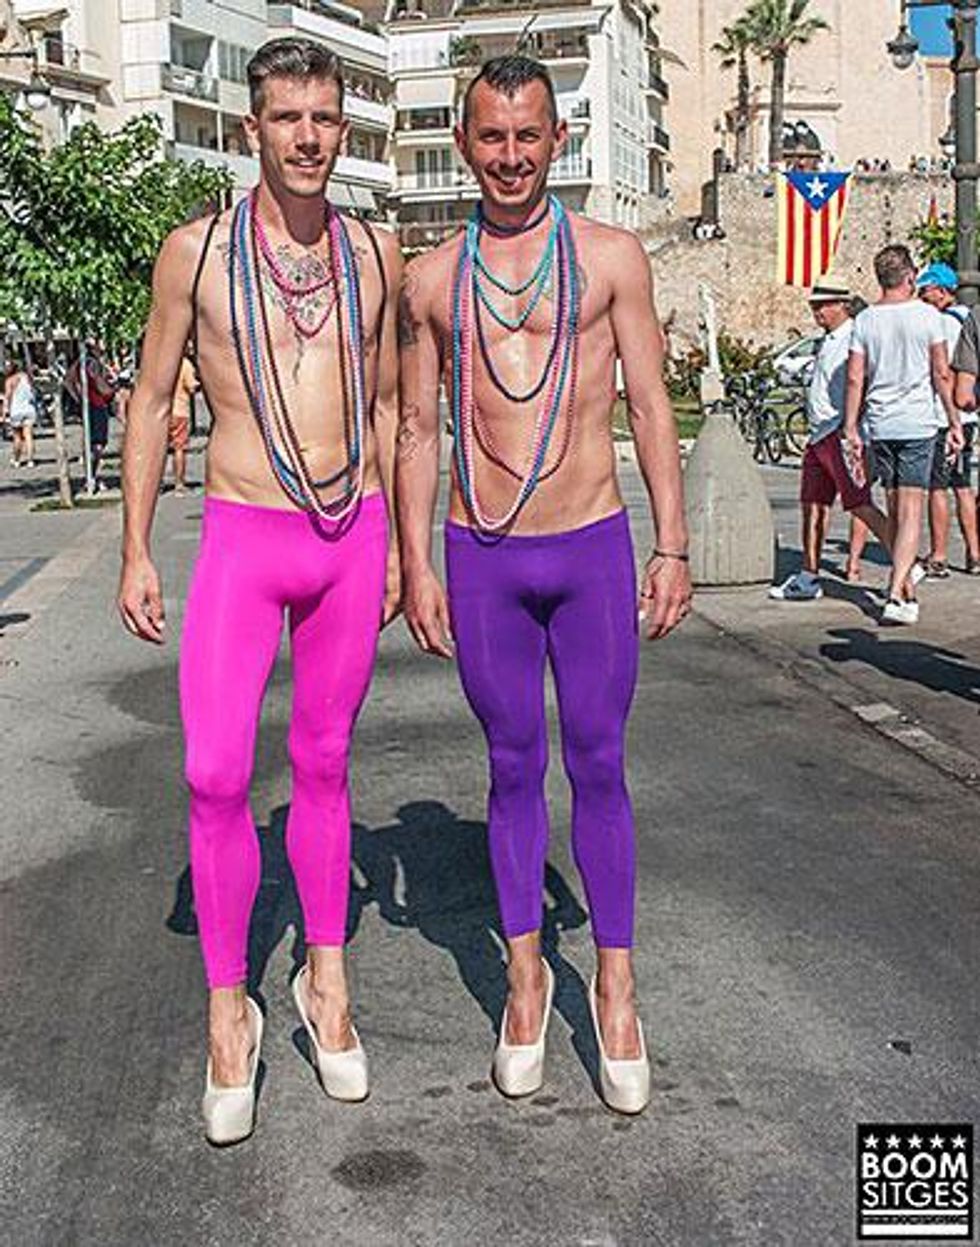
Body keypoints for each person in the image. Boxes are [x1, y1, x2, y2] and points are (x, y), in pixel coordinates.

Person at [116, 37, 401, 1145]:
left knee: (325, 762)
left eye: (325, 118)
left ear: (343, 127)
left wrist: (391, 547)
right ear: (253, 129)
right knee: (215, 768)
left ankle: (323, 985)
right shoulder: (193, 254)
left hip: (345, 531)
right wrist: (136, 547)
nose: (309, 138)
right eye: (287, 118)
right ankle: (225, 1007)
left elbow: (385, 408)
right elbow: (147, 399)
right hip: (241, 526)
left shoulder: (370, 255)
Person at [396, 56, 691, 1116]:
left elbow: (650, 402)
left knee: (600, 763)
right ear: (462, 143)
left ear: (554, 140)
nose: (509, 156)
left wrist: (672, 542)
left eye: (527, 136)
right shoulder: (430, 280)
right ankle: (525, 981)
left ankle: (613, 986)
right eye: (490, 137)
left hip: (588, 544)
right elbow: (416, 426)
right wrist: (415, 559)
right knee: (513, 764)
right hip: (483, 553)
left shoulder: (609, 258)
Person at [844, 244, 963, 625]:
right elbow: (941, 373)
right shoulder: (927, 317)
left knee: (894, 506)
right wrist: (954, 419)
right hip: (917, 422)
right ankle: (896, 591)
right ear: (910, 275)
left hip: (880, 423)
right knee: (911, 511)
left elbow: (854, 377)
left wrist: (850, 426)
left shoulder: (864, 321)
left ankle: (902, 581)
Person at [769, 282, 892, 601]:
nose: (817, 312)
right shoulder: (829, 340)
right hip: (819, 434)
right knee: (813, 504)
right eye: (814, 306)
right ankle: (809, 574)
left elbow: (863, 382)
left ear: (843, 304)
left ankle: (906, 560)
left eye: (824, 305)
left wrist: (849, 427)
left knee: (859, 503)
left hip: (839, 433)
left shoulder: (853, 336)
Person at [915, 262, 980, 576]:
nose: (922, 297)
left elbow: (943, 372)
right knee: (963, 485)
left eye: (926, 290)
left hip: (945, 417)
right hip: (969, 416)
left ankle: (939, 555)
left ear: (942, 290)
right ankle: (975, 554)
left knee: (937, 487)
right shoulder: (969, 318)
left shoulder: (942, 323)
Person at [66, 346, 116, 493]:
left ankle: (90, 477)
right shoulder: (93, 364)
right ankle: (91, 477)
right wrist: (114, 388)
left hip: (89, 406)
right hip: (98, 406)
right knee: (98, 445)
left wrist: (79, 399)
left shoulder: (79, 363)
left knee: (90, 443)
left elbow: (68, 381)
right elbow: (102, 388)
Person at [168, 352, 198, 495]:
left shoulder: (164, 360)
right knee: (179, 448)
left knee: (160, 450)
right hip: (180, 410)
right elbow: (191, 387)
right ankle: (179, 484)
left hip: (163, 412)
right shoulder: (185, 364)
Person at [3, 360, 37, 468]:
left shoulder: (9, 381)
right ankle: (30, 460)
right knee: (28, 436)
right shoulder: (26, 377)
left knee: (17, 437)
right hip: (29, 409)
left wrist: (5, 412)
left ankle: (16, 460)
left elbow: (7, 397)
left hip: (16, 410)